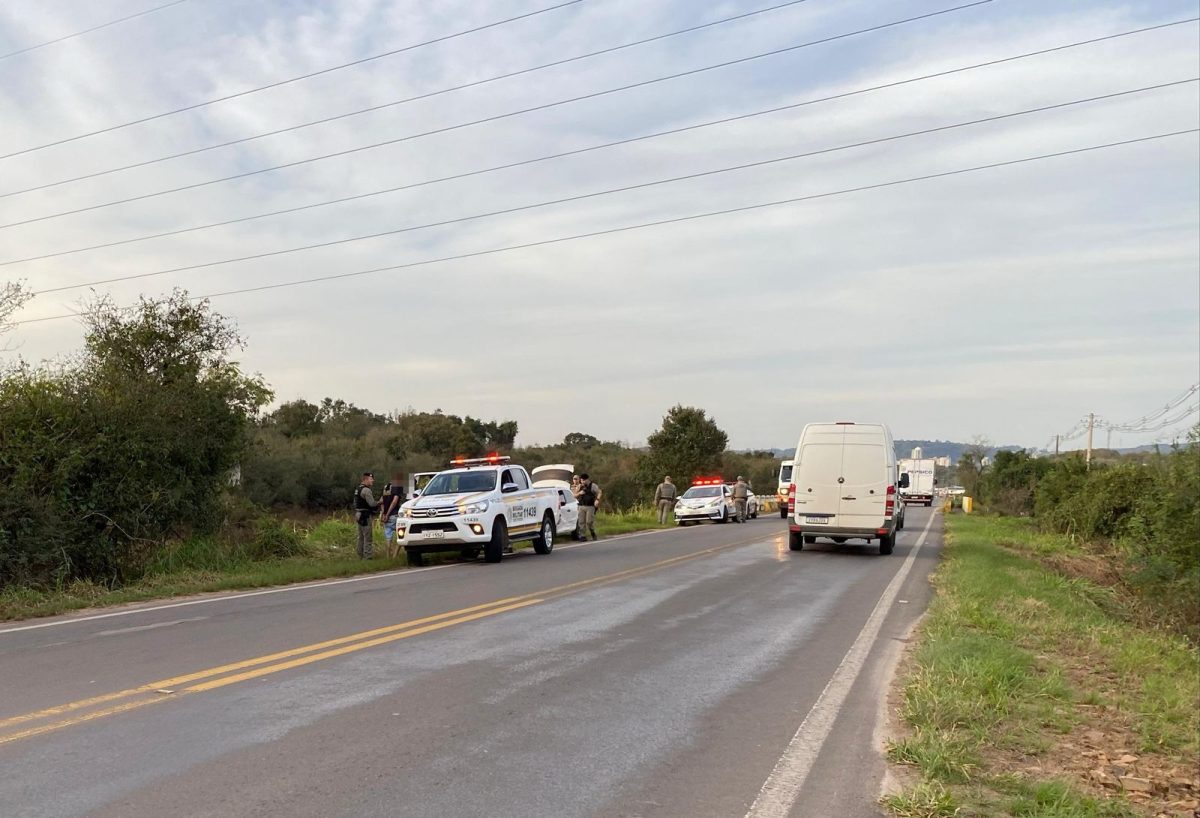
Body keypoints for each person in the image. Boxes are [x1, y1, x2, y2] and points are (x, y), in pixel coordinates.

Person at [353, 472, 381, 559]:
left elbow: (355, 503)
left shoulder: (358, 489)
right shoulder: (367, 490)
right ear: (365, 479)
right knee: (368, 537)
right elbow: (372, 504)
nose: (373, 480)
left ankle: (360, 556)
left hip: (358, 514)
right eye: (371, 479)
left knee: (361, 537)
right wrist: (380, 502)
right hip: (365, 515)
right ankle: (368, 556)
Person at [380, 473, 406, 558]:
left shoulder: (385, 487)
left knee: (388, 537)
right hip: (394, 515)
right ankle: (395, 556)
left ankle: (388, 557)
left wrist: (384, 513)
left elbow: (381, 501)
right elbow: (394, 502)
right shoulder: (397, 488)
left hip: (386, 517)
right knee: (401, 535)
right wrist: (388, 514)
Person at [573, 473, 603, 541]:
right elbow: (574, 495)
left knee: (589, 522)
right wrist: (579, 493)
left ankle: (592, 532)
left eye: (583, 480)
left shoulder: (593, 486)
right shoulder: (580, 486)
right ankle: (582, 536)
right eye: (581, 480)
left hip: (590, 506)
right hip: (581, 506)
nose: (582, 482)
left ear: (587, 480)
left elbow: (599, 492)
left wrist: (597, 500)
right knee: (581, 522)